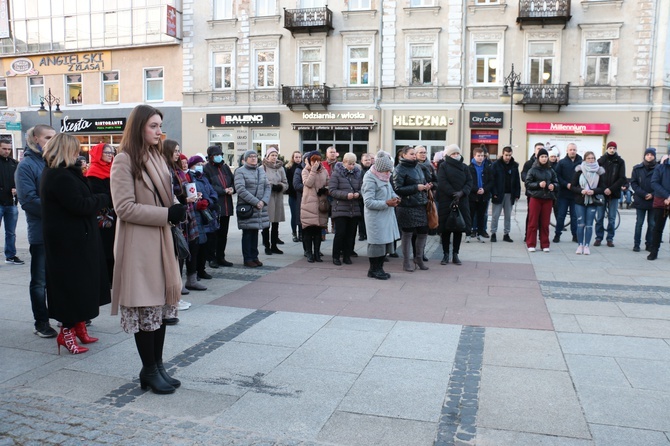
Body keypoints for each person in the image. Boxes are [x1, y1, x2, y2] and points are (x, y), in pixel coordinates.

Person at [110, 104, 186, 394]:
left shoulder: (156, 156)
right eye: (153, 126)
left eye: (160, 126)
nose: (158, 131)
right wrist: (166, 215)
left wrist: (176, 206)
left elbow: (164, 198)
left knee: (162, 307)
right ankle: (150, 369)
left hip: (161, 240)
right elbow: (124, 208)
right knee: (146, 308)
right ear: (139, 126)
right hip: (139, 244)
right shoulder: (124, 160)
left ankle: (156, 366)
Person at [41, 133, 110, 354]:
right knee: (71, 287)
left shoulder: (67, 173)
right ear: (65, 151)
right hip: (68, 243)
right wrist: (104, 198)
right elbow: (79, 205)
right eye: (75, 149)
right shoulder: (58, 176)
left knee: (83, 284)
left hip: (79, 238)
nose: (79, 153)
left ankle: (79, 325)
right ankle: (66, 333)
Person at [15, 125, 58, 338]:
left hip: (60, 231)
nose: (52, 141)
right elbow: (28, 201)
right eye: (47, 137)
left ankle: (64, 315)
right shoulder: (26, 165)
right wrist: (60, 210)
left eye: (54, 137)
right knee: (40, 281)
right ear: (35, 138)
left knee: (59, 278)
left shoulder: (55, 162)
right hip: (41, 232)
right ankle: (41, 322)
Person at [361, 150, 399, 279]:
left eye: (390, 171)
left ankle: (379, 269)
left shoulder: (384, 176)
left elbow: (391, 191)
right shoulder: (370, 178)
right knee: (377, 244)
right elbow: (368, 202)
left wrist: (396, 198)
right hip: (375, 218)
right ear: (380, 169)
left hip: (386, 215)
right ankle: (374, 270)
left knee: (384, 244)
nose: (389, 173)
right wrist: (386, 203)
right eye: (387, 171)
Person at [393, 146, 431, 272]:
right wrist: (416, 187)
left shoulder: (418, 167)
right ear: (403, 155)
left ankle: (418, 258)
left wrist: (426, 186)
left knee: (423, 232)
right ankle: (406, 262)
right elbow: (397, 189)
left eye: (415, 154)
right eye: (411, 154)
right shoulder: (399, 169)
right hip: (406, 206)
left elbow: (424, 181)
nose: (414, 156)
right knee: (407, 234)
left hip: (420, 205)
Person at [86, 143, 116, 284]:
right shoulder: (93, 172)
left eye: (112, 152)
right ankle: (107, 278)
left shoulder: (113, 169)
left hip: (115, 214)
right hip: (103, 217)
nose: (110, 154)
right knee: (106, 247)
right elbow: (101, 195)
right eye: (107, 152)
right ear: (98, 154)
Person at [235, 150, 270, 267]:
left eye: (255, 156)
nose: (254, 158)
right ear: (245, 159)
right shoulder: (240, 171)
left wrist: (263, 201)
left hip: (260, 207)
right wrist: (256, 202)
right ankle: (248, 258)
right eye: (250, 156)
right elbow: (240, 189)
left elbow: (267, 186)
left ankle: (255, 256)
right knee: (247, 233)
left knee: (255, 232)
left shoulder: (261, 170)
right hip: (248, 207)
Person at [437, 145, 471, 265]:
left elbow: (469, 182)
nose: (456, 155)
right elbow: (442, 181)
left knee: (459, 228)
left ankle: (455, 254)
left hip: (462, 201)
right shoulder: (443, 166)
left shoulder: (465, 167)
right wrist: (453, 193)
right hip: (447, 201)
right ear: (448, 155)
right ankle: (446, 254)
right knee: (446, 229)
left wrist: (462, 193)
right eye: (453, 154)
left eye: (457, 153)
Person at [203, 145, 235, 268]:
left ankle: (221, 256)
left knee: (223, 233)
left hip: (227, 204)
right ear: (211, 157)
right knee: (213, 233)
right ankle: (212, 258)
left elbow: (232, 180)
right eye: (216, 155)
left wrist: (232, 188)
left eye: (220, 154)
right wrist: (223, 190)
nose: (219, 157)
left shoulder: (225, 167)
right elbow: (208, 186)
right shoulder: (207, 169)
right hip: (215, 205)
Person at [188, 155, 219, 281]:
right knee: (197, 246)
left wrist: (209, 201)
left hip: (207, 213)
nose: (201, 166)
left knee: (206, 243)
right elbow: (190, 195)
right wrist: (198, 204)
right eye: (199, 163)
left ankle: (202, 269)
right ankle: (195, 271)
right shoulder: (190, 178)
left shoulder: (203, 178)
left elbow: (213, 193)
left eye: (203, 163)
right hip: (197, 215)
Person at [329, 152, 363, 265]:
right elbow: (332, 190)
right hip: (340, 208)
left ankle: (347, 256)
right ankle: (336, 256)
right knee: (340, 233)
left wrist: (358, 194)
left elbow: (363, 188)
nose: (352, 166)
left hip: (354, 208)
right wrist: (345, 195)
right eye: (349, 164)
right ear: (343, 162)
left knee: (351, 234)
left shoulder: (358, 174)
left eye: (353, 164)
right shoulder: (336, 174)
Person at [571, 152, 606, 255]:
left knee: (589, 225)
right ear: (585, 159)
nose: (591, 160)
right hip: (580, 200)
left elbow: (603, 187)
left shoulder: (599, 171)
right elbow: (573, 186)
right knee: (581, 224)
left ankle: (587, 245)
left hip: (592, 201)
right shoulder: (579, 170)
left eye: (592, 158)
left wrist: (594, 191)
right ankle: (580, 245)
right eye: (588, 158)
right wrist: (580, 190)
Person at [525, 148, 558, 252]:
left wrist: (554, 186)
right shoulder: (532, 170)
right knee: (533, 222)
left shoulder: (551, 170)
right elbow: (527, 184)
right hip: (535, 198)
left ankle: (545, 244)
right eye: (542, 157)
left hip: (547, 198)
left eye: (545, 157)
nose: (544, 159)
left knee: (545, 223)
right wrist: (538, 184)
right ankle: (531, 244)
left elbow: (556, 182)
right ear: (538, 158)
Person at [594, 141, 627, 247]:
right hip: (602, 193)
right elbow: (597, 177)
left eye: (614, 148)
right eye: (610, 148)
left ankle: (610, 238)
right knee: (599, 217)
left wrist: (611, 189)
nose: (612, 150)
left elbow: (622, 178)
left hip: (614, 193)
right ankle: (598, 237)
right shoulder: (600, 161)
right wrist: (604, 189)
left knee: (612, 218)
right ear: (607, 149)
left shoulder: (620, 161)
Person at [301, 151, 329, 262]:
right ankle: (309, 253)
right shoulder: (305, 170)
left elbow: (329, 182)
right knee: (308, 229)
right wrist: (313, 170)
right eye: (314, 160)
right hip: (309, 203)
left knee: (318, 231)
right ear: (309, 161)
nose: (316, 162)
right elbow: (308, 183)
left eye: (318, 160)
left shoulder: (324, 170)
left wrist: (325, 189)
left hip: (321, 203)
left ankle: (317, 253)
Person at [490, 145, 520, 243]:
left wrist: (517, 194)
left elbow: (517, 181)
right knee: (495, 215)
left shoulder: (514, 165)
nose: (508, 157)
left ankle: (506, 234)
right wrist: (493, 192)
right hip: (498, 194)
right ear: (502, 154)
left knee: (508, 216)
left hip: (509, 194)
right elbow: (492, 180)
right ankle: (493, 233)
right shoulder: (496, 165)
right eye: (506, 155)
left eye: (510, 155)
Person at [261, 147, 288, 255]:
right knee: (266, 223)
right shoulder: (262, 168)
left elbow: (286, 183)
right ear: (267, 156)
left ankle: (274, 245)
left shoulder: (280, 168)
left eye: (276, 155)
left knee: (276, 223)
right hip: (267, 199)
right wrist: (270, 186)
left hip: (278, 198)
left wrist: (280, 186)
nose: (274, 157)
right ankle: (266, 246)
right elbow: (259, 183)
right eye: (272, 155)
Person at [554, 143, 582, 243]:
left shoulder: (581, 162)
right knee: (561, 215)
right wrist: (566, 184)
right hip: (563, 194)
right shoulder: (561, 162)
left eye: (574, 149)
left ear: (576, 150)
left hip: (576, 194)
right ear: (567, 150)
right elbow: (557, 176)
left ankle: (575, 235)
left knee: (575, 217)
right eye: (570, 149)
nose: (572, 151)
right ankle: (557, 234)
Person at [0, 138, 22, 265]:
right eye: (4, 148)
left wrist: (17, 189)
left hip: (11, 202)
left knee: (11, 232)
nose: (7, 151)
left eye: (9, 149)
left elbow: (20, 181)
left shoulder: (14, 163)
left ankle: (10, 255)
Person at [630, 148, 657, 252]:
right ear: (644, 156)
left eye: (651, 154)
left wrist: (653, 195)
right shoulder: (637, 168)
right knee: (639, 223)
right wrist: (644, 194)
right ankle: (636, 244)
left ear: (654, 156)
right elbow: (634, 183)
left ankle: (649, 244)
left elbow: (661, 184)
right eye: (647, 154)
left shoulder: (659, 168)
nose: (649, 156)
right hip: (641, 199)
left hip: (653, 200)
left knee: (652, 224)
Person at [647, 153, 670, 261]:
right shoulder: (660, 168)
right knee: (657, 228)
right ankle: (654, 250)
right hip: (661, 202)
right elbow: (654, 183)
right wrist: (667, 196)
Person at [467, 147, 493, 242]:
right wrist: (476, 189)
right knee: (471, 215)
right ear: (474, 156)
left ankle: (480, 233)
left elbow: (491, 181)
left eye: (482, 156)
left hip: (484, 195)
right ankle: (468, 233)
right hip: (472, 195)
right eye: (479, 156)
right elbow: (468, 182)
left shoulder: (487, 168)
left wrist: (484, 189)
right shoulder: (469, 168)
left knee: (481, 216)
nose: (481, 158)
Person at [522, 142, 545, 242]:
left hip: (544, 194)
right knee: (531, 215)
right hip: (532, 194)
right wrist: (531, 181)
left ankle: (541, 236)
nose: (539, 150)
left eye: (542, 149)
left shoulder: (547, 164)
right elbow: (524, 175)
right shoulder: (529, 163)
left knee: (543, 216)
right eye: (538, 148)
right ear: (534, 150)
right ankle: (528, 235)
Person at [285, 151, 303, 243]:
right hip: (293, 195)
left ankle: (301, 233)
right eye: (296, 157)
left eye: (299, 157)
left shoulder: (303, 167)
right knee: (294, 215)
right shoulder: (289, 168)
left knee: (301, 215)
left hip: (301, 195)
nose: (298, 159)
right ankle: (294, 233)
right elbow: (288, 182)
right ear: (293, 158)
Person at [358, 153, 373, 241]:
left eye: (369, 160)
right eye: (365, 160)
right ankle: (361, 234)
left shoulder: (373, 171)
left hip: (371, 197)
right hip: (361, 198)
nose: (367, 161)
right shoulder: (360, 172)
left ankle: (368, 233)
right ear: (362, 161)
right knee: (361, 218)